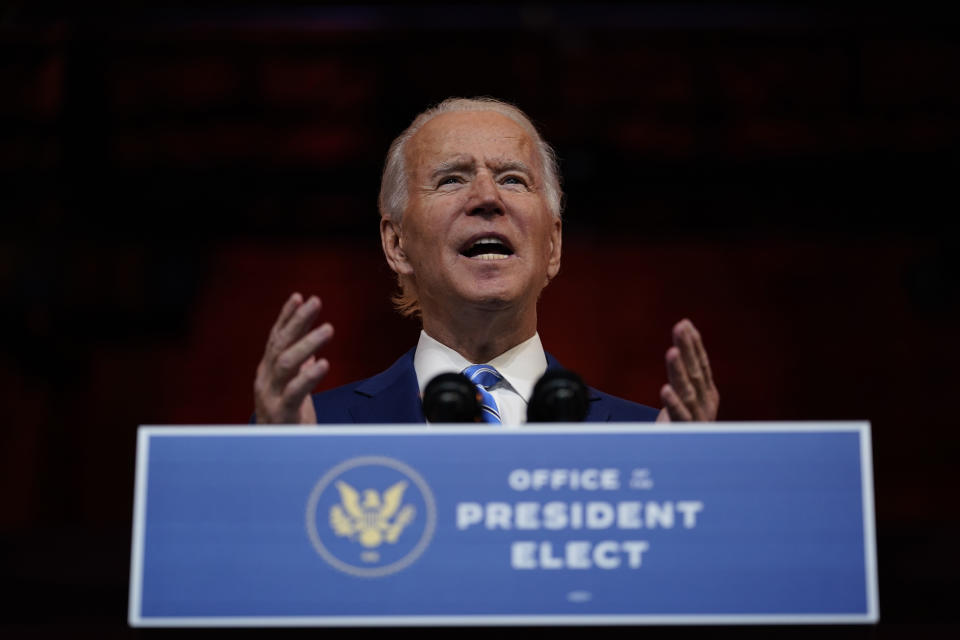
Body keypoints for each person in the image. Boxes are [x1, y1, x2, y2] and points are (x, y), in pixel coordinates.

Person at [253, 97, 719, 425]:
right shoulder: (312, 431)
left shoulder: (647, 444)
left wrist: (680, 480)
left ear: (553, 246)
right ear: (396, 244)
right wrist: (284, 466)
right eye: (452, 179)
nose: (486, 198)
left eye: (513, 179)